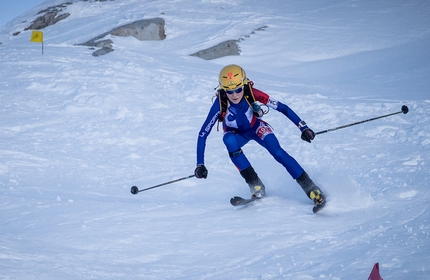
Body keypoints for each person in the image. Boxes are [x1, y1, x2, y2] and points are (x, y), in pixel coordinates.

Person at [194, 64, 325, 207]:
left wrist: (303, 127)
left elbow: (282, 108)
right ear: (223, 90)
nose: (235, 95)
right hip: (237, 134)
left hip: (256, 128)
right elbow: (203, 134)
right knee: (228, 140)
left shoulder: (252, 92)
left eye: (238, 89)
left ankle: (312, 189)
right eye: (229, 91)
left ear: (244, 84)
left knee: (278, 152)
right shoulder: (220, 104)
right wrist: (200, 164)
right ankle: (255, 185)